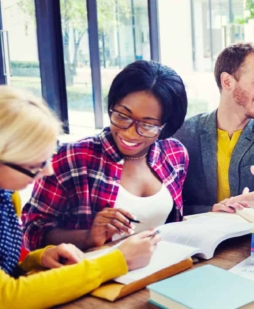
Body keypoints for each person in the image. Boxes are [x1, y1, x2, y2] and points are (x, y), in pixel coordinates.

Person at [0, 87, 160, 308]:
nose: (46, 172)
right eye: (34, 165)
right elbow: (7, 297)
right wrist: (117, 261)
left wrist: (38, 258)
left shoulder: (7, 193)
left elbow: (6, 268)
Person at [22, 60, 189, 251]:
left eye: (147, 125)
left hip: (165, 270)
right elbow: (32, 233)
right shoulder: (72, 157)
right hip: (97, 277)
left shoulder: (175, 154)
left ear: (166, 126)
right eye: (122, 116)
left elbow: (175, 223)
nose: (130, 133)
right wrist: (88, 237)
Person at [173, 43, 254, 217]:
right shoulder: (184, 133)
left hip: (251, 239)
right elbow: (170, 205)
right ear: (227, 82)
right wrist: (209, 211)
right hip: (199, 237)